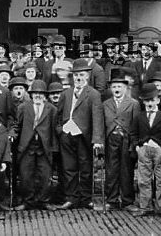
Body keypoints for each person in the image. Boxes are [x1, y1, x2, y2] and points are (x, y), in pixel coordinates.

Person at [47, 59, 104, 211]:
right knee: (68, 168)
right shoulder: (66, 93)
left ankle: (86, 199)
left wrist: (97, 139)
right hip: (67, 135)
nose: (79, 78)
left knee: (85, 168)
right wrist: (60, 130)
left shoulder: (93, 94)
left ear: (87, 76)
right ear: (73, 76)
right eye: (76, 75)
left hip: (83, 136)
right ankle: (71, 198)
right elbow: (58, 115)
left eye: (82, 75)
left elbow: (97, 117)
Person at [11, 80, 57, 211]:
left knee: (45, 175)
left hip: (44, 146)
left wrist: (54, 148)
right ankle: (28, 201)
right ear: (31, 94)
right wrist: (12, 134)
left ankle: (43, 201)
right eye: (35, 93)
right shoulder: (23, 107)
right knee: (26, 175)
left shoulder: (52, 109)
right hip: (27, 146)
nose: (38, 95)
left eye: (41, 93)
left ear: (45, 95)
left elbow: (53, 129)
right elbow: (17, 125)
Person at [101, 69, 139, 210]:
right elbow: (101, 124)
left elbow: (135, 125)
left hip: (126, 141)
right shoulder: (105, 104)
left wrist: (134, 143)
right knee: (111, 170)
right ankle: (112, 200)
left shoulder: (133, 103)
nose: (117, 89)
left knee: (126, 170)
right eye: (114, 87)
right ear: (111, 88)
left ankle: (127, 201)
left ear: (125, 88)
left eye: (119, 87)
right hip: (111, 139)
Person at [131, 83, 161, 216]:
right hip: (144, 149)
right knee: (143, 179)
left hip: (159, 149)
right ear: (143, 101)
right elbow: (134, 133)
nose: (149, 103)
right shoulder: (139, 116)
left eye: (152, 100)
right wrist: (137, 146)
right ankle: (145, 206)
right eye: (147, 100)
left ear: (158, 100)